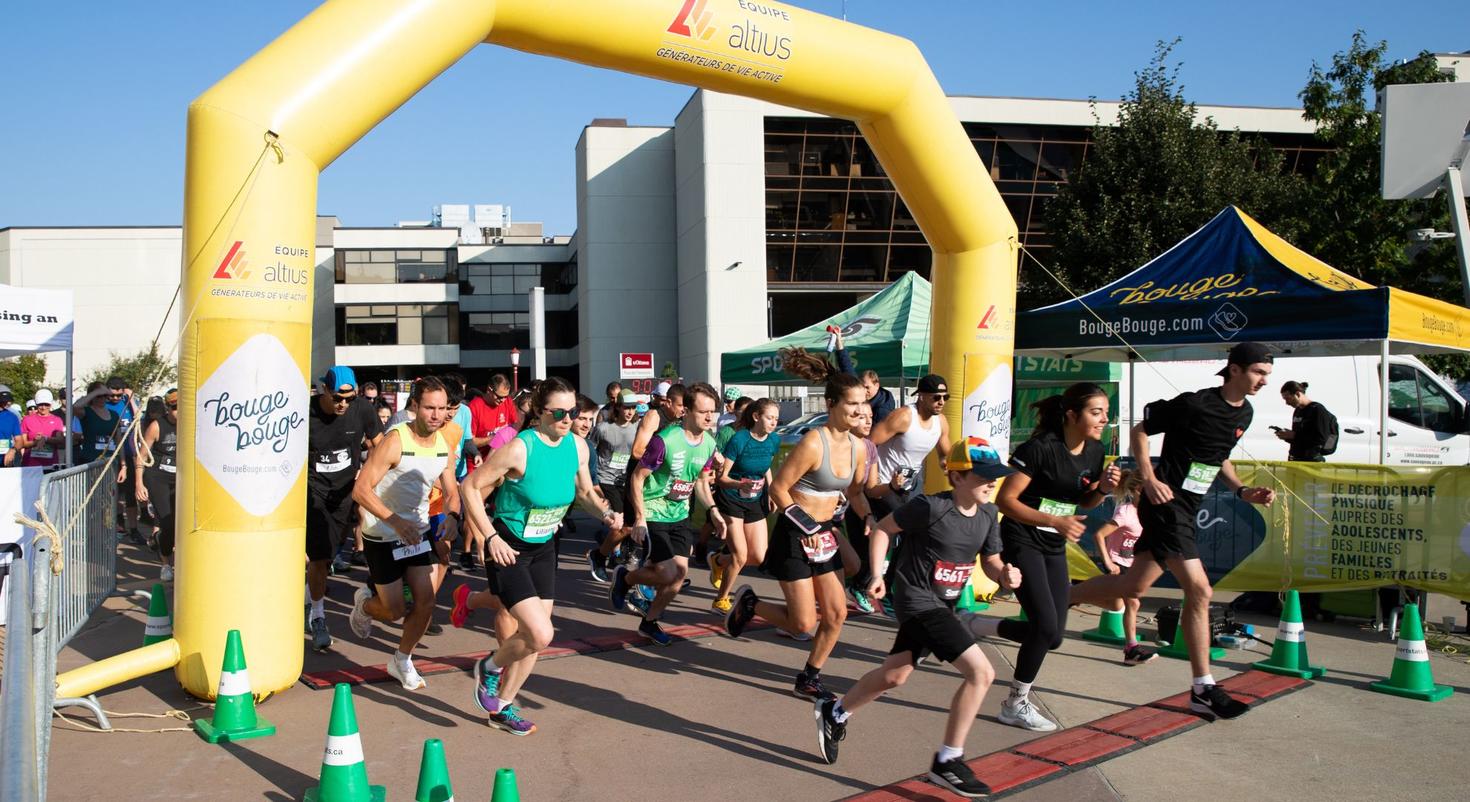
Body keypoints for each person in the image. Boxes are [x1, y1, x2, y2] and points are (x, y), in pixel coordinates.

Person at [1069, 342, 1277, 721]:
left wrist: (1242, 491)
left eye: (1267, 375)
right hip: (1165, 504)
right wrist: (1148, 479)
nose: (1263, 381)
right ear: (1234, 369)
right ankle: (1203, 688)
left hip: (1189, 507)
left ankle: (1065, 595)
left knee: (1132, 586)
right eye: (1258, 373)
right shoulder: (1194, 403)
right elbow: (1140, 430)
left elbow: (1219, 457)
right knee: (1200, 589)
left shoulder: (1245, 412)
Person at [815, 437, 1019, 797]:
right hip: (918, 601)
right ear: (956, 478)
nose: (992, 482)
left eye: (996, 476)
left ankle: (835, 712)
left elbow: (990, 559)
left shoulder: (988, 514)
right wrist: (877, 574)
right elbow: (882, 530)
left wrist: (1003, 573)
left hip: (946, 604)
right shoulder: (931, 507)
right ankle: (948, 760)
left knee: (894, 675)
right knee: (982, 672)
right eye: (984, 475)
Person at [460, 377, 622, 735]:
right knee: (541, 632)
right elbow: (469, 486)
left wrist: (605, 514)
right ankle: (488, 667)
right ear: (539, 412)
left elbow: (583, 492)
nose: (569, 419)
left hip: (545, 544)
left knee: (534, 640)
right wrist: (488, 538)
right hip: (508, 546)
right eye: (560, 412)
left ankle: (502, 707)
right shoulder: (520, 448)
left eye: (574, 412)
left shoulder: (578, 447)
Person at [966, 383, 1120, 733]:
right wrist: (1054, 520)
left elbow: (1084, 503)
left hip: (1054, 543)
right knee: (1045, 626)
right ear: (1071, 415)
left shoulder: (1095, 452)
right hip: (1022, 538)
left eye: (1105, 412)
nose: (1104, 419)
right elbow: (1006, 501)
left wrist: (1104, 490)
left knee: (1053, 636)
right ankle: (1014, 703)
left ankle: (975, 625)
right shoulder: (1039, 449)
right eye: (1096, 412)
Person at [724, 371, 875, 701]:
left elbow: (855, 492)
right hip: (795, 534)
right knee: (802, 624)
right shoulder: (812, 442)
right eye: (852, 404)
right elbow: (779, 489)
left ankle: (809, 676)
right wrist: (807, 527)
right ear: (831, 404)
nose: (860, 411)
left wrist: (870, 518)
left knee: (836, 613)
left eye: (863, 404)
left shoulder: (858, 446)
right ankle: (751, 603)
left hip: (825, 535)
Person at [348, 376, 461, 691]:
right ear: (415, 407)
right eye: (429, 408)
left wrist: (452, 516)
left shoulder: (443, 446)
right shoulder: (395, 440)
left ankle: (402, 659)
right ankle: (365, 605)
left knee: (426, 601)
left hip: (417, 534)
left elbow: (452, 492)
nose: (437, 415)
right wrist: (396, 522)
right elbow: (361, 490)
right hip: (383, 533)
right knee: (394, 611)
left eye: (442, 408)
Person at [611, 382, 726, 645]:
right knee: (666, 573)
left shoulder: (709, 443)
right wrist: (639, 517)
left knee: (677, 578)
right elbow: (638, 478)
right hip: (653, 512)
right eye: (703, 411)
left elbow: (699, 481)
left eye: (713, 412)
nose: (709, 417)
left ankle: (649, 622)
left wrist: (714, 510)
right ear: (686, 411)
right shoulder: (666, 441)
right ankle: (626, 578)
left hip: (679, 514)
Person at [305, 366, 384, 651]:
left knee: (332, 550)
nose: (343, 404)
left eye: (349, 399)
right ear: (324, 389)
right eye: (338, 398)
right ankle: (318, 616)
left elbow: (380, 446)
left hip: (346, 490)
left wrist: (368, 478)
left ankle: (309, 593)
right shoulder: (306, 411)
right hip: (312, 489)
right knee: (319, 554)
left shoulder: (362, 409)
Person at [709, 398, 781, 613]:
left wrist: (771, 492)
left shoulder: (774, 440)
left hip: (755, 499)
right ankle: (720, 600)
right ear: (756, 417)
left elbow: (766, 466)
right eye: (770, 417)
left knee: (759, 556)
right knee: (740, 555)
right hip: (731, 498)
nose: (774, 422)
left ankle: (719, 560)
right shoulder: (739, 439)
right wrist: (742, 483)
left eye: (777, 418)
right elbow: (722, 477)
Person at [1090, 469, 1156, 665]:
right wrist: (1109, 563)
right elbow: (1099, 535)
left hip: (1132, 566)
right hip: (1117, 564)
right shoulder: (1125, 512)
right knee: (1133, 604)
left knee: (1116, 605)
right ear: (1138, 489)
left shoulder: (1148, 512)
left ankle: (1073, 595)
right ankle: (1131, 649)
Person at [869, 373, 952, 518]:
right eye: (936, 397)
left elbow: (945, 455)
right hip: (886, 485)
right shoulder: (904, 416)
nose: (941, 402)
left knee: (915, 531)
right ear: (921, 396)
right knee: (894, 531)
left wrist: (947, 464)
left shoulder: (941, 422)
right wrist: (872, 478)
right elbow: (869, 443)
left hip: (911, 485)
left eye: (945, 397)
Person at [585, 390, 641, 582]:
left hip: (627, 481)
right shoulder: (603, 428)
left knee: (627, 527)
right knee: (619, 522)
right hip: (606, 479)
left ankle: (604, 552)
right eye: (626, 407)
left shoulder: (638, 429)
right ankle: (607, 555)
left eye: (633, 408)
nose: (630, 412)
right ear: (617, 407)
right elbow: (589, 451)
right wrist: (593, 480)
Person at [135, 389, 180, 581]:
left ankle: (169, 551)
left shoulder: (191, 424)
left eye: (182, 406)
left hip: (180, 478)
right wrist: (138, 483)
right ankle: (165, 564)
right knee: (167, 521)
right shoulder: (156, 426)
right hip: (158, 477)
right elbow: (141, 456)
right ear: (168, 409)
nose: (179, 411)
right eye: (175, 407)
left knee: (180, 522)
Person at [831, 329, 897, 424]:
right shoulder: (868, 397)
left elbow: (876, 437)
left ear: (877, 385)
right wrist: (839, 344)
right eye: (862, 387)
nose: (864, 391)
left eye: (867, 387)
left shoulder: (882, 411)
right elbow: (847, 368)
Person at [1276, 381, 1333, 462]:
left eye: (1288, 398)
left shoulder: (1318, 410)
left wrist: (1294, 436)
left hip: (1311, 461)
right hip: (1295, 458)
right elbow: (1300, 439)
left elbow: (1321, 440)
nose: (1287, 403)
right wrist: (1286, 436)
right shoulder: (1298, 410)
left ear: (1298, 394)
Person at [469, 373, 519, 460]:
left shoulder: (508, 402)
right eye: (499, 397)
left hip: (501, 460)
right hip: (478, 461)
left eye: (505, 396)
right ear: (489, 390)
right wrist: (494, 438)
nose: (503, 400)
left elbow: (516, 428)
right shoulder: (474, 407)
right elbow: (469, 442)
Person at [19, 389, 66, 468]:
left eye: (46, 404)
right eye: (41, 404)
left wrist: (46, 439)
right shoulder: (27, 420)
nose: (43, 407)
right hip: (30, 465)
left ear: (50, 405)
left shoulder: (57, 420)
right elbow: (22, 443)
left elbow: (60, 439)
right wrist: (35, 442)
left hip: (50, 465)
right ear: (37, 404)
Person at [0, 385, 21, 467]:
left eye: (7, 401)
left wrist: (13, 450)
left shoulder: (13, 416)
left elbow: (19, 440)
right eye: (2, 401)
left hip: (6, 461)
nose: (6, 403)